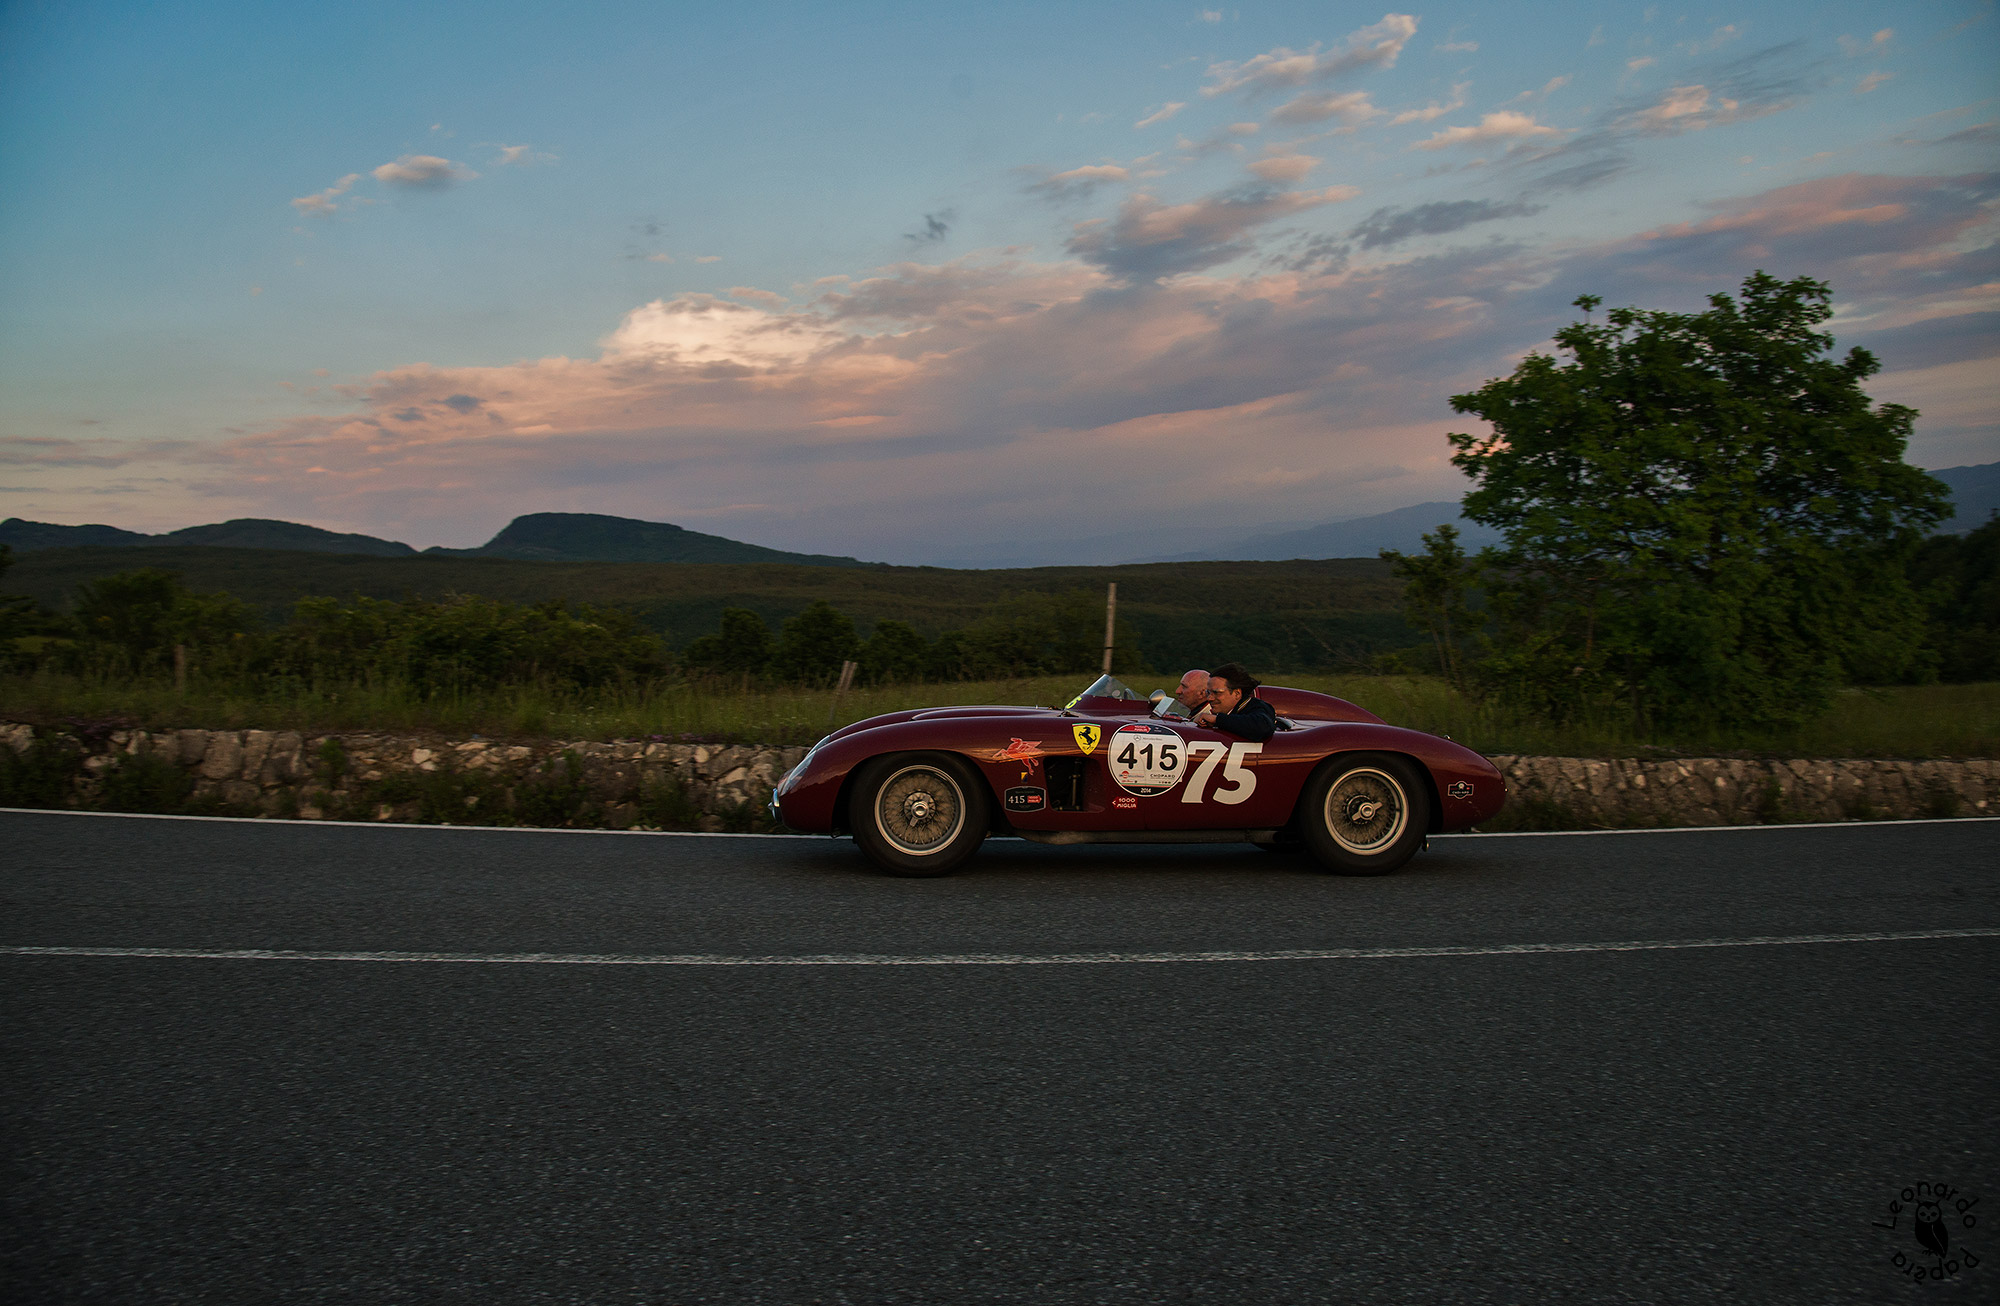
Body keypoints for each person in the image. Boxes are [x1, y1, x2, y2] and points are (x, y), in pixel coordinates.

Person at [1194, 662, 1276, 741]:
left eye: (1217, 693)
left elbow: (1262, 726)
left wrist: (1217, 720)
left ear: (1237, 694)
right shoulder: (1231, 714)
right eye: (1208, 692)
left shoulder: (1259, 708)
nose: (1209, 698)